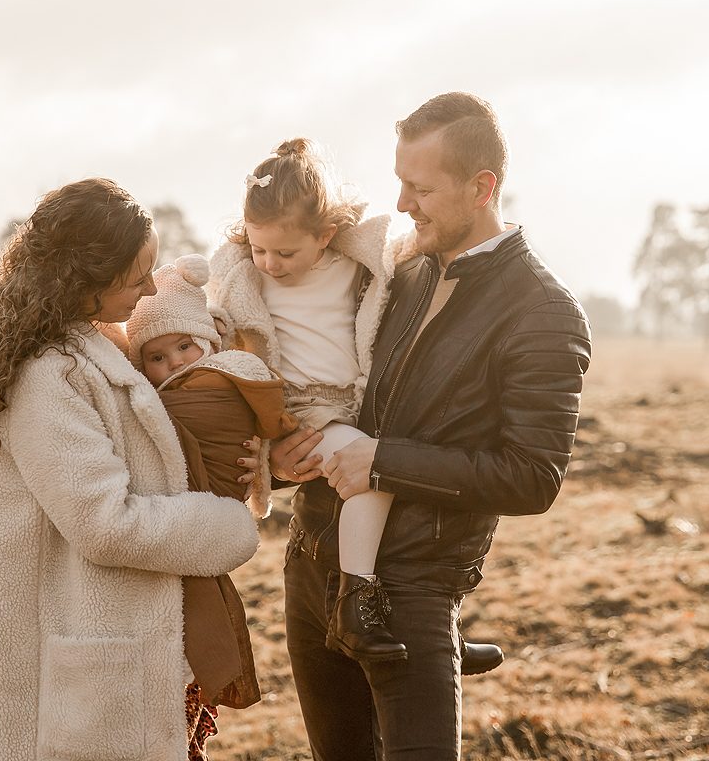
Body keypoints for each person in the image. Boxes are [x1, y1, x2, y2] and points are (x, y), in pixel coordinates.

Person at [270, 92, 592, 760]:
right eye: (399, 182)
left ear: (482, 188)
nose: (404, 203)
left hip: (411, 596)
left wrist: (381, 462)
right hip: (309, 571)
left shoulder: (543, 312)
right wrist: (285, 459)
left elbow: (533, 477)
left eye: (420, 188)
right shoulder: (398, 269)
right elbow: (329, 381)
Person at [0, 178, 262, 761]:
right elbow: (105, 523)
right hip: (86, 674)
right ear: (86, 275)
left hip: (122, 653)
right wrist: (229, 525)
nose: (150, 289)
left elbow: (154, 455)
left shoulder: (95, 349)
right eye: (136, 274)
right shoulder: (46, 375)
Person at [209, 138, 502, 672]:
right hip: (302, 412)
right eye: (258, 248)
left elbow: (407, 263)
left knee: (418, 479)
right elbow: (212, 316)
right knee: (374, 469)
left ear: (324, 236)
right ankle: (354, 600)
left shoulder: (357, 265)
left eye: (285, 252)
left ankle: (443, 635)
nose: (270, 263)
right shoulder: (244, 279)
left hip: (358, 399)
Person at [125, 252, 297, 741]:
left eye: (184, 346)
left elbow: (261, 418)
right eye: (157, 357)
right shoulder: (152, 398)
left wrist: (263, 459)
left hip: (208, 503)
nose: (175, 362)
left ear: (206, 340)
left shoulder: (225, 374)